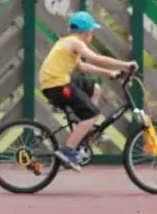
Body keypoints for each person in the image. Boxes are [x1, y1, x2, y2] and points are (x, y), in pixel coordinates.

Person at [39, 10, 137, 171]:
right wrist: (125, 65)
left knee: (95, 89)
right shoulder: (76, 43)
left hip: (56, 82)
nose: (92, 34)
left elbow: (83, 66)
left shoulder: (67, 43)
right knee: (92, 114)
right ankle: (68, 151)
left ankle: (84, 129)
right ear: (87, 32)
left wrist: (110, 73)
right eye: (92, 30)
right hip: (57, 85)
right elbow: (95, 59)